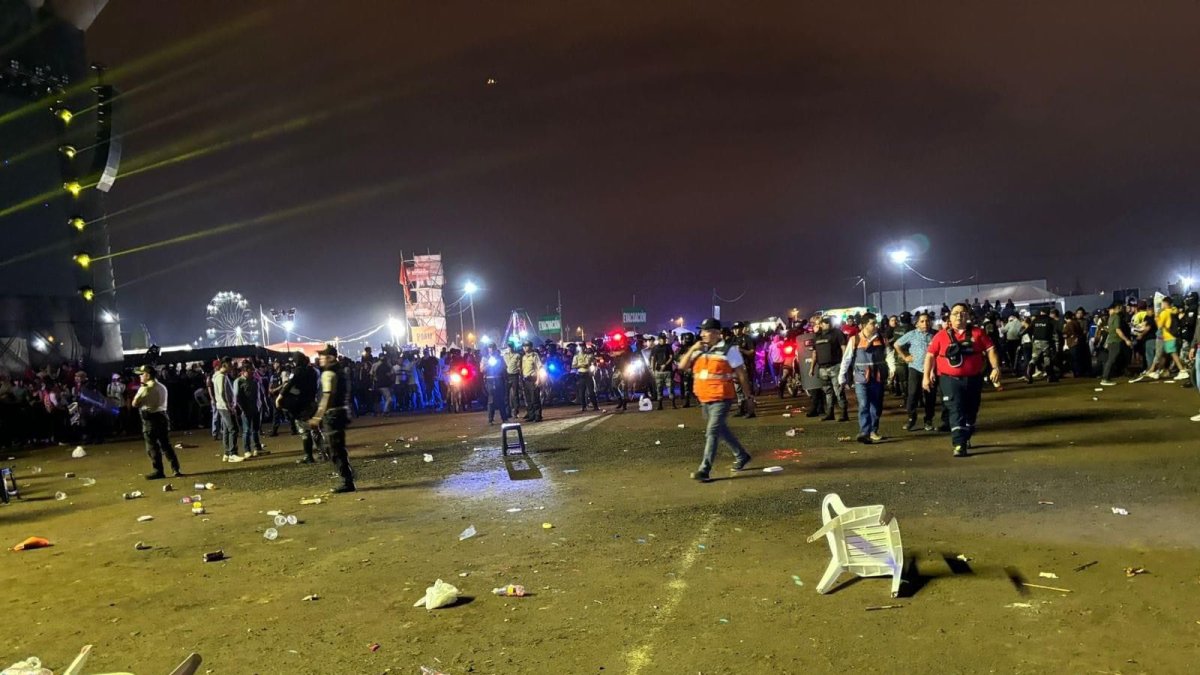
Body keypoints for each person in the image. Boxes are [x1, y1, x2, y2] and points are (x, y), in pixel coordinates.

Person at [676, 318, 754, 482]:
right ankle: (742, 455)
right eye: (702, 331)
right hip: (704, 398)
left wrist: (748, 397)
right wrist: (692, 349)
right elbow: (682, 366)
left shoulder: (729, 349)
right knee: (721, 430)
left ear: (717, 333)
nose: (702, 334)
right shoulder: (699, 349)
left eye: (706, 331)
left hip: (722, 397)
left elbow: (741, 374)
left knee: (712, 432)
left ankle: (704, 469)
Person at [923, 302, 1002, 457]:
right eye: (955, 313)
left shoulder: (978, 333)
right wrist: (926, 376)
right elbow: (930, 355)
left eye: (963, 313)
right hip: (949, 379)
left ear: (968, 316)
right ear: (949, 318)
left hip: (973, 379)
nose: (959, 315)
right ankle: (959, 444)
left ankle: (966, 435)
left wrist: (996, 368)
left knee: (971, 411)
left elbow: (990, 349)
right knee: (956, 409)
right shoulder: (941, 336)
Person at [310, 345, 355, 493]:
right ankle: (347, 475)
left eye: (323, 356)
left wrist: (317, 417)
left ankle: (346, 480)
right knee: (338, 447)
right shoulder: (341, 372)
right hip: (342, 412)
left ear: (330, 358)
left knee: (334, 448)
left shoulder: (328, 374)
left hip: (333, 414)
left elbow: (327, 396)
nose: (320, 359)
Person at [838, 313, 888, 444]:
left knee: (876, 407)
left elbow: (888, 354)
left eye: (875, 323)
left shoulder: (881, 339)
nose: (875, 325)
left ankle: (873, 431)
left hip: (877, 378)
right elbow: (847, 359)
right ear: (864, 325)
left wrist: (892, 369)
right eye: (872, 323)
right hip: (861, 378)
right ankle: (864, 432)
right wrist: (841, 376)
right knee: (864, 404)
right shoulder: (854, 340)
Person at [131, 365, 182, 480]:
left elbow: (134, 403)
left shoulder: (146, 388)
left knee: (152, 446)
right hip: (162, 416)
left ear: (148, 375)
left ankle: (158, 471)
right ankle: (176, 469)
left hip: (150, 418)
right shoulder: (161, 386)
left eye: (142, 374)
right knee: (166, 444)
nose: (139, 377)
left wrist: (140, 391)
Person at [894, 312, 937, 432]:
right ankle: (911, 419)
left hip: (931, 370)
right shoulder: (911, 334)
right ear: (916, 323)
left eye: (927, 321)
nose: (925, 323)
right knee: (912, 395)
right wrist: (905, 357)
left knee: (930, 397)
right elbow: (896, 344)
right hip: (915, 368)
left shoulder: (936, 335)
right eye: (922, 321)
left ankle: (928, 420)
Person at [810, 316, 849, 422]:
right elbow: (814, 353)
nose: (823, 324)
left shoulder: (837, 333)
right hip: (822, 368)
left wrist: (844, 364)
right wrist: (812, 368)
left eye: (826, 322)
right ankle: (830, 413)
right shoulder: (817, 336)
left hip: (835, 366)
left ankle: (844, 413)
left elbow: (843, 348)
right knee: (828, 392)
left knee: (838, 391)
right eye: (822, 323)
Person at [211, 358, 243, 462]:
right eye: (230, 365)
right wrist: (228, 406)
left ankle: (226, 453)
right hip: (225, 407)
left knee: (226, 430)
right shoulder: (221, 377)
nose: (232, 367)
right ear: (225, 365)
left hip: (221, 406)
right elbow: (222, 392)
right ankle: (232, 453)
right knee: (233, 429)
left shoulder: (219, 376)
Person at [1099, 302, 1134, 386]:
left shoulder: (1111, 317)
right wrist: (1126, 340)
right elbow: (1117, 330)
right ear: (1117, 308)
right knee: (1111, 359)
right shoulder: (1116, 317)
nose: (1121, 309)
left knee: (1113, 359)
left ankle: (1107, 377)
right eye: (1120, 307)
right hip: (1115, 341)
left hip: (1111, 341)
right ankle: (1105, 378)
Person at [235, 362, 264, 458]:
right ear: (243, 372)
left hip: (255, 408)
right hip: (246, 409)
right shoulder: (239, 381)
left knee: (256, 429)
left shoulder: (254, 380)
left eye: (252, 370)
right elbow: (237, 397)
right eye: (249, 371)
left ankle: (257, 448)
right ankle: (247, 450)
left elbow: (258, 395)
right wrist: (242, 409)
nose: (252, 372)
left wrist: (259, 405)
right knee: (246, 430)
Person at [482, 344, 510, 424]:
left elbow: (505, 368)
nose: (491, 352)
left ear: (495, 350)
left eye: (492, 350)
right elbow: (482, 369)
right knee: (491, 400)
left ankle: (504, 418)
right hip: (489, 380)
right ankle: (490, 419)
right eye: (489, 350)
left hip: (499, 379)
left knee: (501, 399)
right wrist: (488, 364)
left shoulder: (500, 358)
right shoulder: (485, 359)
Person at [650, 332, 676, 409]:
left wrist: (665, 364)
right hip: (659, 371)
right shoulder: (655, 348)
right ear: (659, 339)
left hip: (667, 371)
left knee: (670, 388)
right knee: (659, 389)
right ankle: (660, 405)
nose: (664, 340)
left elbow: (671, 357)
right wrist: (653, 370)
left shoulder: (668, 347)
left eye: (665, 339)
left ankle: (673, 404)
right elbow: (653, 359)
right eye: (662, 339)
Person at [572, 343, 600, 412]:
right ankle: (583, 407)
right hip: (581, 374)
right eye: (581, 347)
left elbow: (594, 362)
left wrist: (590, 365)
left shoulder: (589, 355)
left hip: (588, 374)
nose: (582, 348)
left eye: (583, 347)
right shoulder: (576, 356)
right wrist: (582, 365)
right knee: (582, 392)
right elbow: (573, 365)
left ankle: (595, 406)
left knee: (591, 392)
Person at [520, 341, 543, 422]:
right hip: (525, 380)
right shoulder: (523, 357)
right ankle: (531, 415)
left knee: (535, 398)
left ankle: (537, 416)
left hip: (533, 379)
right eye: (524, 346)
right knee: (528, 399)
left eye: (526, 346)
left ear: (531, 347)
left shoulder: (534, 355)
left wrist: (538, 380)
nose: (525, 347)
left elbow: (539, 368)